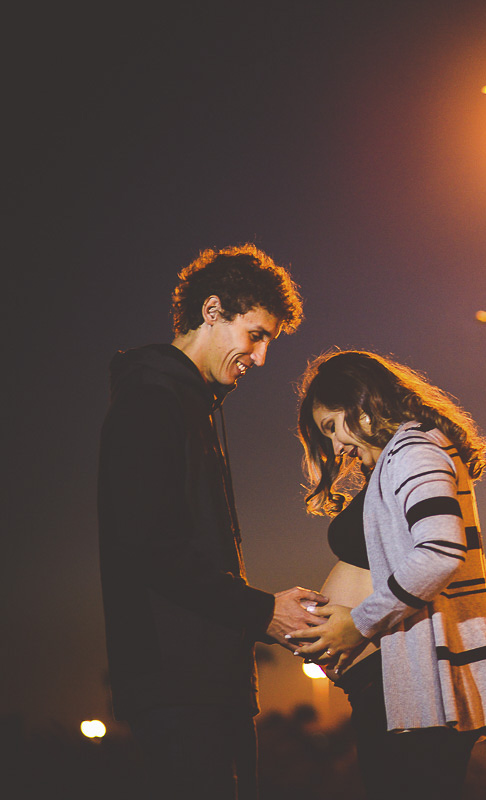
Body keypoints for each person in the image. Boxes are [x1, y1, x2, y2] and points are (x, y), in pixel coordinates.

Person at [97, 244, 328, 800]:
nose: (262, 358)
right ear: (212, 310)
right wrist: (263, 611)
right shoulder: (151, 402)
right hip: (179, 687)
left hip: (205, 683)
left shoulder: (187, 403)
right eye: (256, 335)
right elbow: (151, 549)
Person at [293, 350, 486, 799]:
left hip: (415, 685)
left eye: (334, 426)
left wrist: (358, 623)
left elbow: (441, 551)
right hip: (392, 684)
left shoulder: (414, 450)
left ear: (363, 403)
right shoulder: (397, 457)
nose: (336, 447)